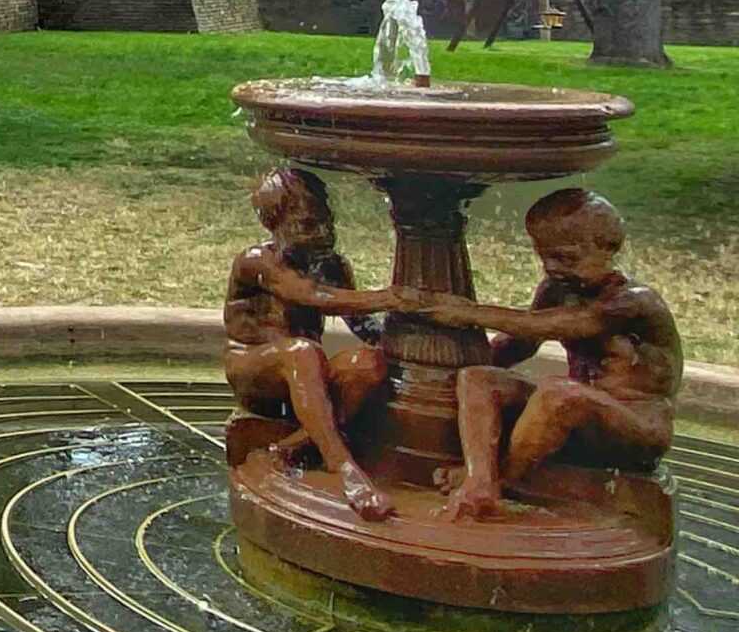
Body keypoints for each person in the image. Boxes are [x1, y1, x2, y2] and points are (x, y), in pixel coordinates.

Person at [403, 188, 680, 523]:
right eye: (543, 255)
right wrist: (440, 370)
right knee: (478, 378)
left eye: (566, 258)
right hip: (574, 414)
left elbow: (550, 326)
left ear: (606, 248)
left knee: (558, 392)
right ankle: (480, 480)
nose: (551, 266)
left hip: (634, 427)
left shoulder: (634, 302)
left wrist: (467, 312)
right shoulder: (556, 290)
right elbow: (518, 343)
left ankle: (503, 479)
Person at [226, 165, 404, 520]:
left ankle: (293, 447)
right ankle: (346, 470)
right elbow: (312, 295)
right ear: (272, 226)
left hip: (309, 374)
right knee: (302, 352)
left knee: (366, 363)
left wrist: (408, 348)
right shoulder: (257, 262)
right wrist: (391, 297)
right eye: (307, 225)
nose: (323, 234)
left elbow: (364, 326)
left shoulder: (333, 265)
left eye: (328, 222)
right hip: (256, 371)